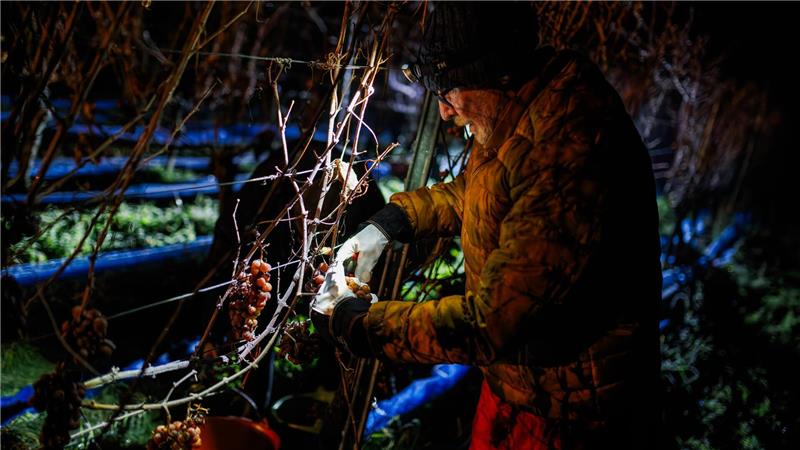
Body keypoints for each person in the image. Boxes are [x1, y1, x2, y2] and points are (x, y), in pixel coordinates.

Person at [311, 3, 662, 449]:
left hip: (570, 415)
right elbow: (480, 192)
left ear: (494, 75)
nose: (444, 113)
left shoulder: (569, 152)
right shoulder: (526, 113)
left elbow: (492, 322)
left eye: (450, 91)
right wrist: (392, 222)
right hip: (519, 384)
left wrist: (359, 323)